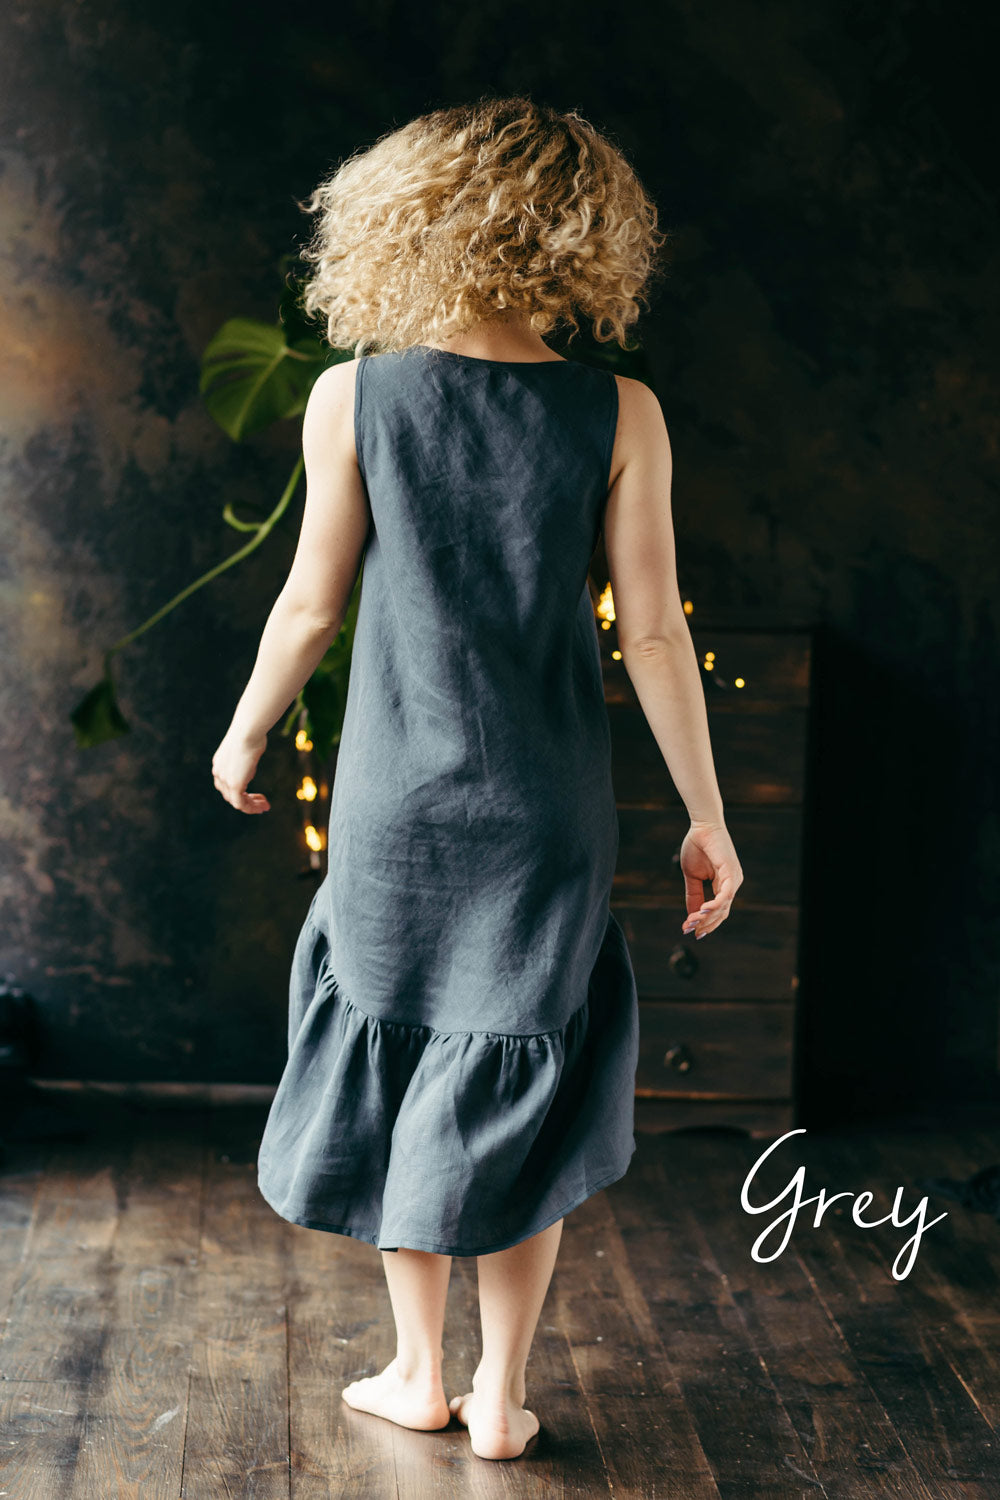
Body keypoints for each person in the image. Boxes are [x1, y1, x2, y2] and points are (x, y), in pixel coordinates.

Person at [211, 95, 743, 1462]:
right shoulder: (622, 411)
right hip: (550, 812)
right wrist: (707, 813)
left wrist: (246, 731)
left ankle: (414, 1371)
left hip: (399, 811)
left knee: (406, 1072)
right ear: (580, 238)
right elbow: (659, 630)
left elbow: (309, 610)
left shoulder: (357, 397)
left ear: (408, 221)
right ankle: (503, 1396)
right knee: (525, 1079)